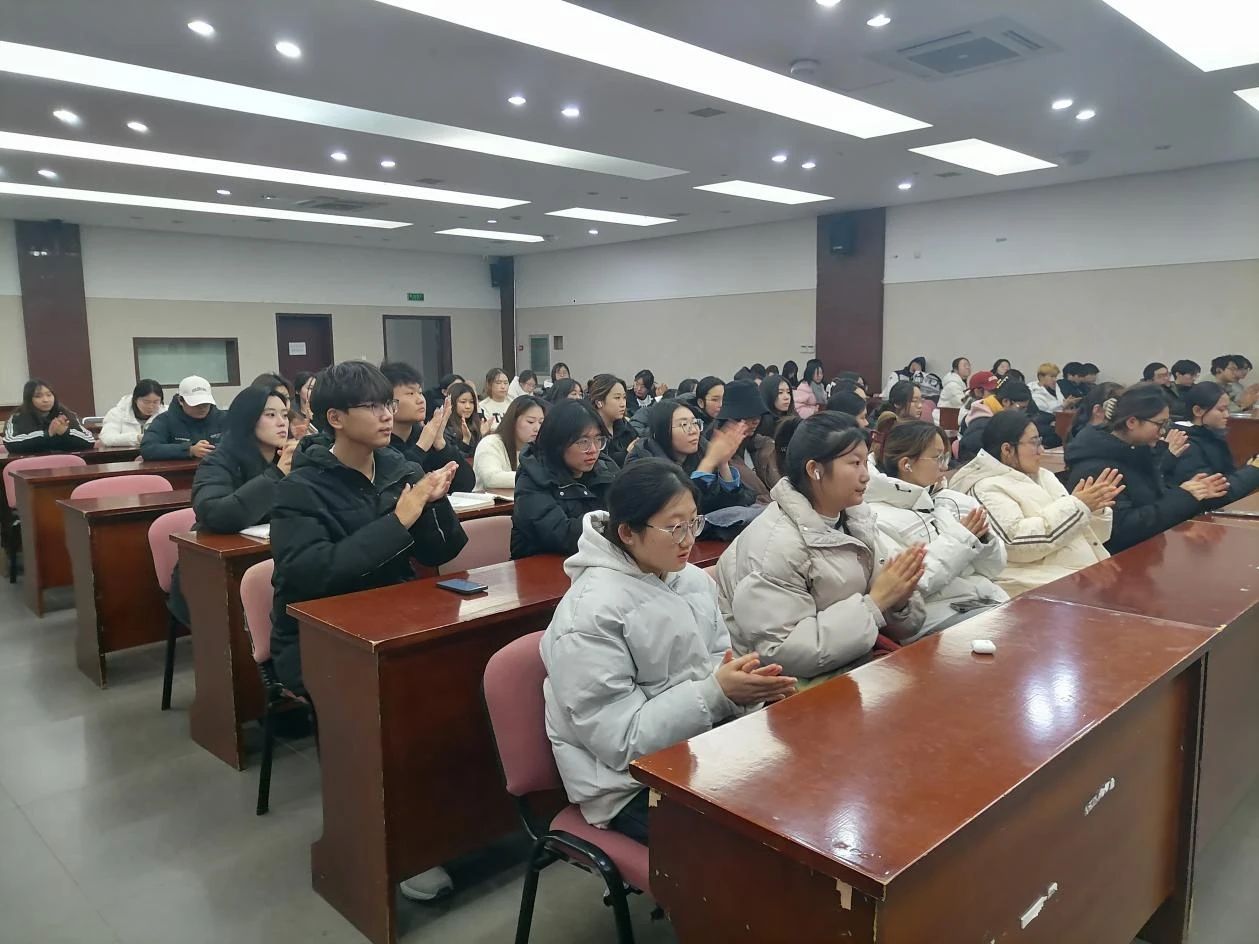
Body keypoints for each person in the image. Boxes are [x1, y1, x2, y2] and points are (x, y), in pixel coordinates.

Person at [268, 361, 466, 902]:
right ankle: (397, 843)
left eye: (388, 404)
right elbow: (314, 574)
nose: (386, 415)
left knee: (466, 683)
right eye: (373, 406)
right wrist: (399, 520)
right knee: (399, 714)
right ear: (335, 418)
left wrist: (434, 502)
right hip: (319, 641)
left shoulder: (398, 467)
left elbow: (445, 549)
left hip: (393, 623)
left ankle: (464, 818)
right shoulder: (300, 489)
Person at [540, 460, 795, 843]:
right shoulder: (588, 615)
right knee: (757, 843)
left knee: (802, 786)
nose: (688, 539)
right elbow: (620, 742)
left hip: (698, 749)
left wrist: (747, 690)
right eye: (675, 527)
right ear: (627, 532)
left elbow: (718, 665)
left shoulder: (691, 580)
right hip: (628, 784)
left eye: (694, 523)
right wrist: (719, 693)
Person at [716, 412, 926, 686]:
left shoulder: (856, 518)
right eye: (855, 463)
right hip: (786, 688)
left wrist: (898, 601)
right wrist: (874, 605)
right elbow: (780, 652)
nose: (866, 476)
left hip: (849, 663)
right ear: (814, 469)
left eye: (866, 462)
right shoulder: (776, 543)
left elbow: (904, 623)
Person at [950, 411, 1117, 596]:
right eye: (1034, 443)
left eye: (1040, 441)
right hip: (1034, 588)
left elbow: (1092, 536)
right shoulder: (985, 488)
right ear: (1007, 449)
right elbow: (1016, 544)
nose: (1041, 450)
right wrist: (1078, 507)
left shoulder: (1043, 476)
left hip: (1078, 575)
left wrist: (1094, 509)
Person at [867, 421, 1008, 633]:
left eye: (946, 457)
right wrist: (963, 539)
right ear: (906, 464)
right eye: (937, 458)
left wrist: (983, 539)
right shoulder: (875, 516)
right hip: (935, 619)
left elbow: (993, 568)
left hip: (981, 600)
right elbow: (911, 583)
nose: (944, 467)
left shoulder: (945, 500)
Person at [1065, 384, 1229, 552]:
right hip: (1117, 558)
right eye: (1160, 424)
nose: (1163, 431)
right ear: (1132, 422)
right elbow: (1122, 530)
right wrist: (1183, 497)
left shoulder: (1137, 451)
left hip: (1147, 551)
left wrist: (1187, 491)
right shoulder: (1098, 467)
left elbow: (1150, 501)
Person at [511, 400, 618, 558]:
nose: (593, 449)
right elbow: (563, 537)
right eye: (583, 442)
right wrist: (614, 524)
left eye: (598, 439)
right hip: (542, 567)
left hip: (597, 561)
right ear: (558, 443)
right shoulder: (533, 479)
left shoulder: (605, 469)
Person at [192, 385, 294, 533]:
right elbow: (215, 515)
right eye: (271, 415)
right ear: (248, 419)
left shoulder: (284, 459)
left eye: (285, 415)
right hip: (220, 544)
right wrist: (276, 475)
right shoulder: (217, 462)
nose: (282, 422)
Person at [628, 399, 756, 514]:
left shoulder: (701, 450)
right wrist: (708, 463)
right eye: (684, 425)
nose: (694, 431)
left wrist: (723, 464)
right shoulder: (641, 460)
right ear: (662, 430)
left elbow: (732, 504)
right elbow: (677, 510)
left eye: (695, 423)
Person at [380, 361, 474, 493]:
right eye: (411, 393)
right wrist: (421, 446)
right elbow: (395, 487)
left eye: (420, 392)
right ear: (388, 402)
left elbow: (466, 484)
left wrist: (441, 445)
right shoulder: (379, 442)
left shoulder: (426, 435)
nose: (420, 400)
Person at [1169, 382, 1259, 504]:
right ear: (1198, 411)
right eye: (1221, 410)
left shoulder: (1210, 434)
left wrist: (1249, 469)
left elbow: (1226, 476)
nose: (1227, 415)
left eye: (1227, 409)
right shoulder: (1184, 443)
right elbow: (1216, 492)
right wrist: (1254, 470)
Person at [140, 375, 225, 460]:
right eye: (196, 405)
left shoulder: (224, 418)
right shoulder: (164, 421)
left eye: (205, 404)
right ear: (180, 400)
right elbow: (148, 448)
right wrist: (189, 450)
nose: (202, 408)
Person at [472, 394, 546, 491]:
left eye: (541, 422)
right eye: (530, 422)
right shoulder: (490, 443)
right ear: (513, 421)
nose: (537, 428)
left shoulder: (537, 448)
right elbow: (491, 478)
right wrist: (536, 477)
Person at [3, 379, 96, 454]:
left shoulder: (66, 414)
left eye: (49, 395)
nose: (46, 400)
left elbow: (90, 440)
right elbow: (10, 443)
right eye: (38, 396)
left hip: (65, 465)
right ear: (28, 399)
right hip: (32, 466)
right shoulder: (17, 417)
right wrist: (47, 434)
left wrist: (65, 433)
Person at [957, 380, 1031, 464]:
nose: (1022, 414)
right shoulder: (982, 426)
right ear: (1006, 402)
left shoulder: (998, 418)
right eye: (1021, 408)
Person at [99, 379, 166, 447]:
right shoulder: (117, 413)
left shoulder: (166, 413)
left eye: (155, 402)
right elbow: (107, 438)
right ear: (135, 399)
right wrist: (137, 438)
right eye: (146, 402)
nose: (150, 406)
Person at [587, 373, 636, 467]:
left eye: (624, 398)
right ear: (599, 402)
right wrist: (626, 455)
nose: (623, 404)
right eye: (617, 398)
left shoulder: (625, 427)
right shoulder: (588, 430)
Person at [444, 381, 486, 460]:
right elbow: (452, 460)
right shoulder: (446, 428)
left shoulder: (477, 423)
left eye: (471, 402)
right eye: (463, 402)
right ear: (452, 403)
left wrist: (482, 436)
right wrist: (465, 441)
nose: (468, 406)